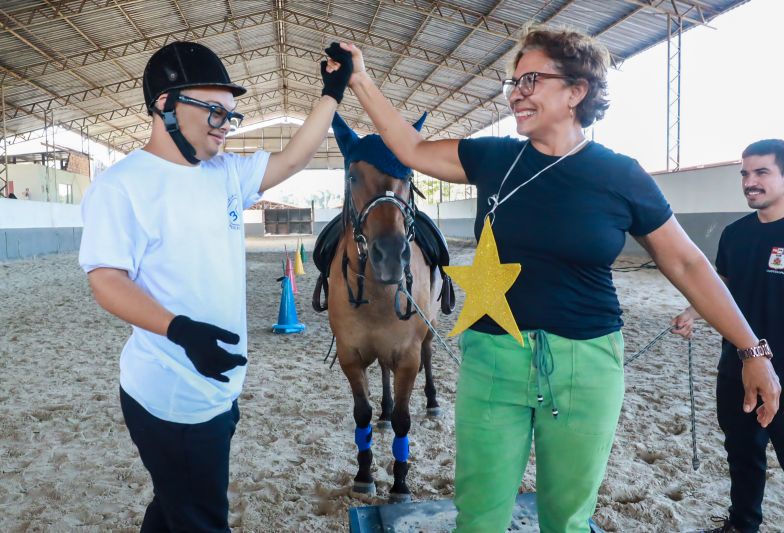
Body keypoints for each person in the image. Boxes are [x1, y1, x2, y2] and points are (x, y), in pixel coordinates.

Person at [327, 27, 781, 533]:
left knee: (566, 519)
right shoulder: (492, 157)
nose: (516, 92)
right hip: (494, 359)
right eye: (513, 83)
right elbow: (409, 147)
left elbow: (688, 265)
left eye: (530, 80)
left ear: (576, 91)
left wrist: (751, 350)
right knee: (477, 516)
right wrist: (361, 80)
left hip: (584, 366)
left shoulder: (620, 175)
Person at [78, 41, 352, 531]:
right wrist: (179, 330)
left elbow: (291, 160)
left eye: (231, 114)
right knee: (201, 520)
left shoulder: (225, 173)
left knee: (174, 508)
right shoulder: (121, 186)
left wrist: (332, 92)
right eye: (213, 111)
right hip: (173, 397)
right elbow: (106, 280)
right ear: (165, 104)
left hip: (218, 388)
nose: (225, 125)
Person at [672, 139, 784, 533]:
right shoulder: (735, 234)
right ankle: (742, 524)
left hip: (782, 371)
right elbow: (721, 286)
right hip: (736, 365)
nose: (750, 182)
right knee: (742, 451)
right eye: (745, 174)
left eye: (761, 172)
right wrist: (692, 311)